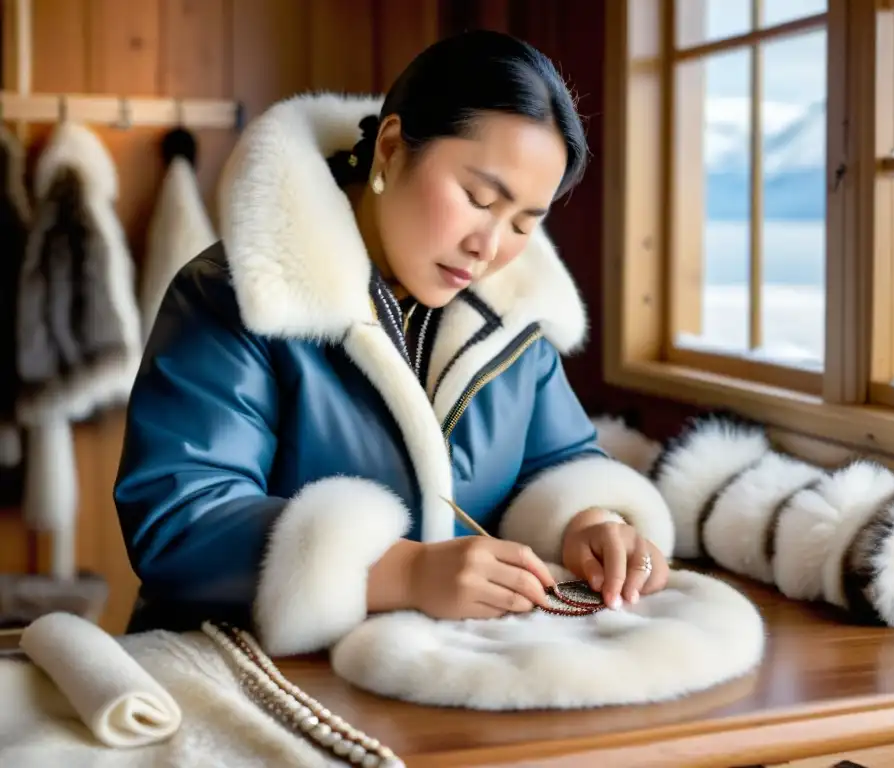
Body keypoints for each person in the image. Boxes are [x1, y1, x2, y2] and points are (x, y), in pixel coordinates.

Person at [114, 30, 675, 657]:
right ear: (389, 149)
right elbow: (178, 518)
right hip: (236, 675)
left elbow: (556, 464)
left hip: (439, 680)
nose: (489, 247)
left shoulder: (514, 318)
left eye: (523, 222)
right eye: (477, 198)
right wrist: (403, 572)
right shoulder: (235, 296)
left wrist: (589, 523)